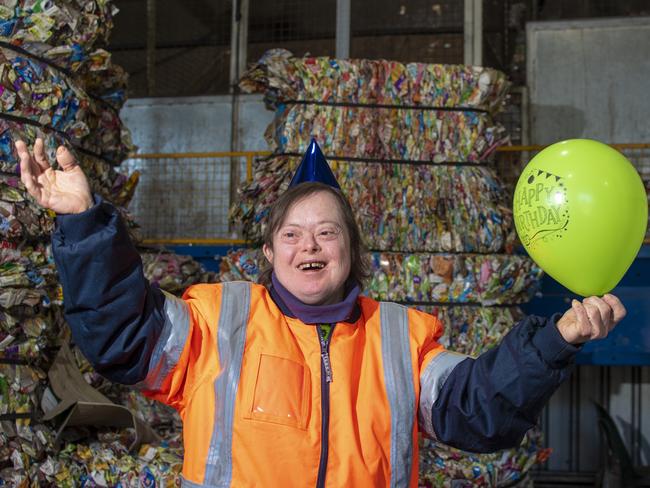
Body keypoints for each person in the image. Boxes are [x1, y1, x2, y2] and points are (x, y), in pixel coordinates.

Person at [16, 137, 626, 488]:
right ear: (269, 251)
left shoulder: (400, 338)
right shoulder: (214, 323)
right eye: (292, 234)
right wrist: (82, 222)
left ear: (352, 251)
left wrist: (558, 339)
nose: (309, 246)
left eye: (327, 233)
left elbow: (480, 410)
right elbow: (118, 335)